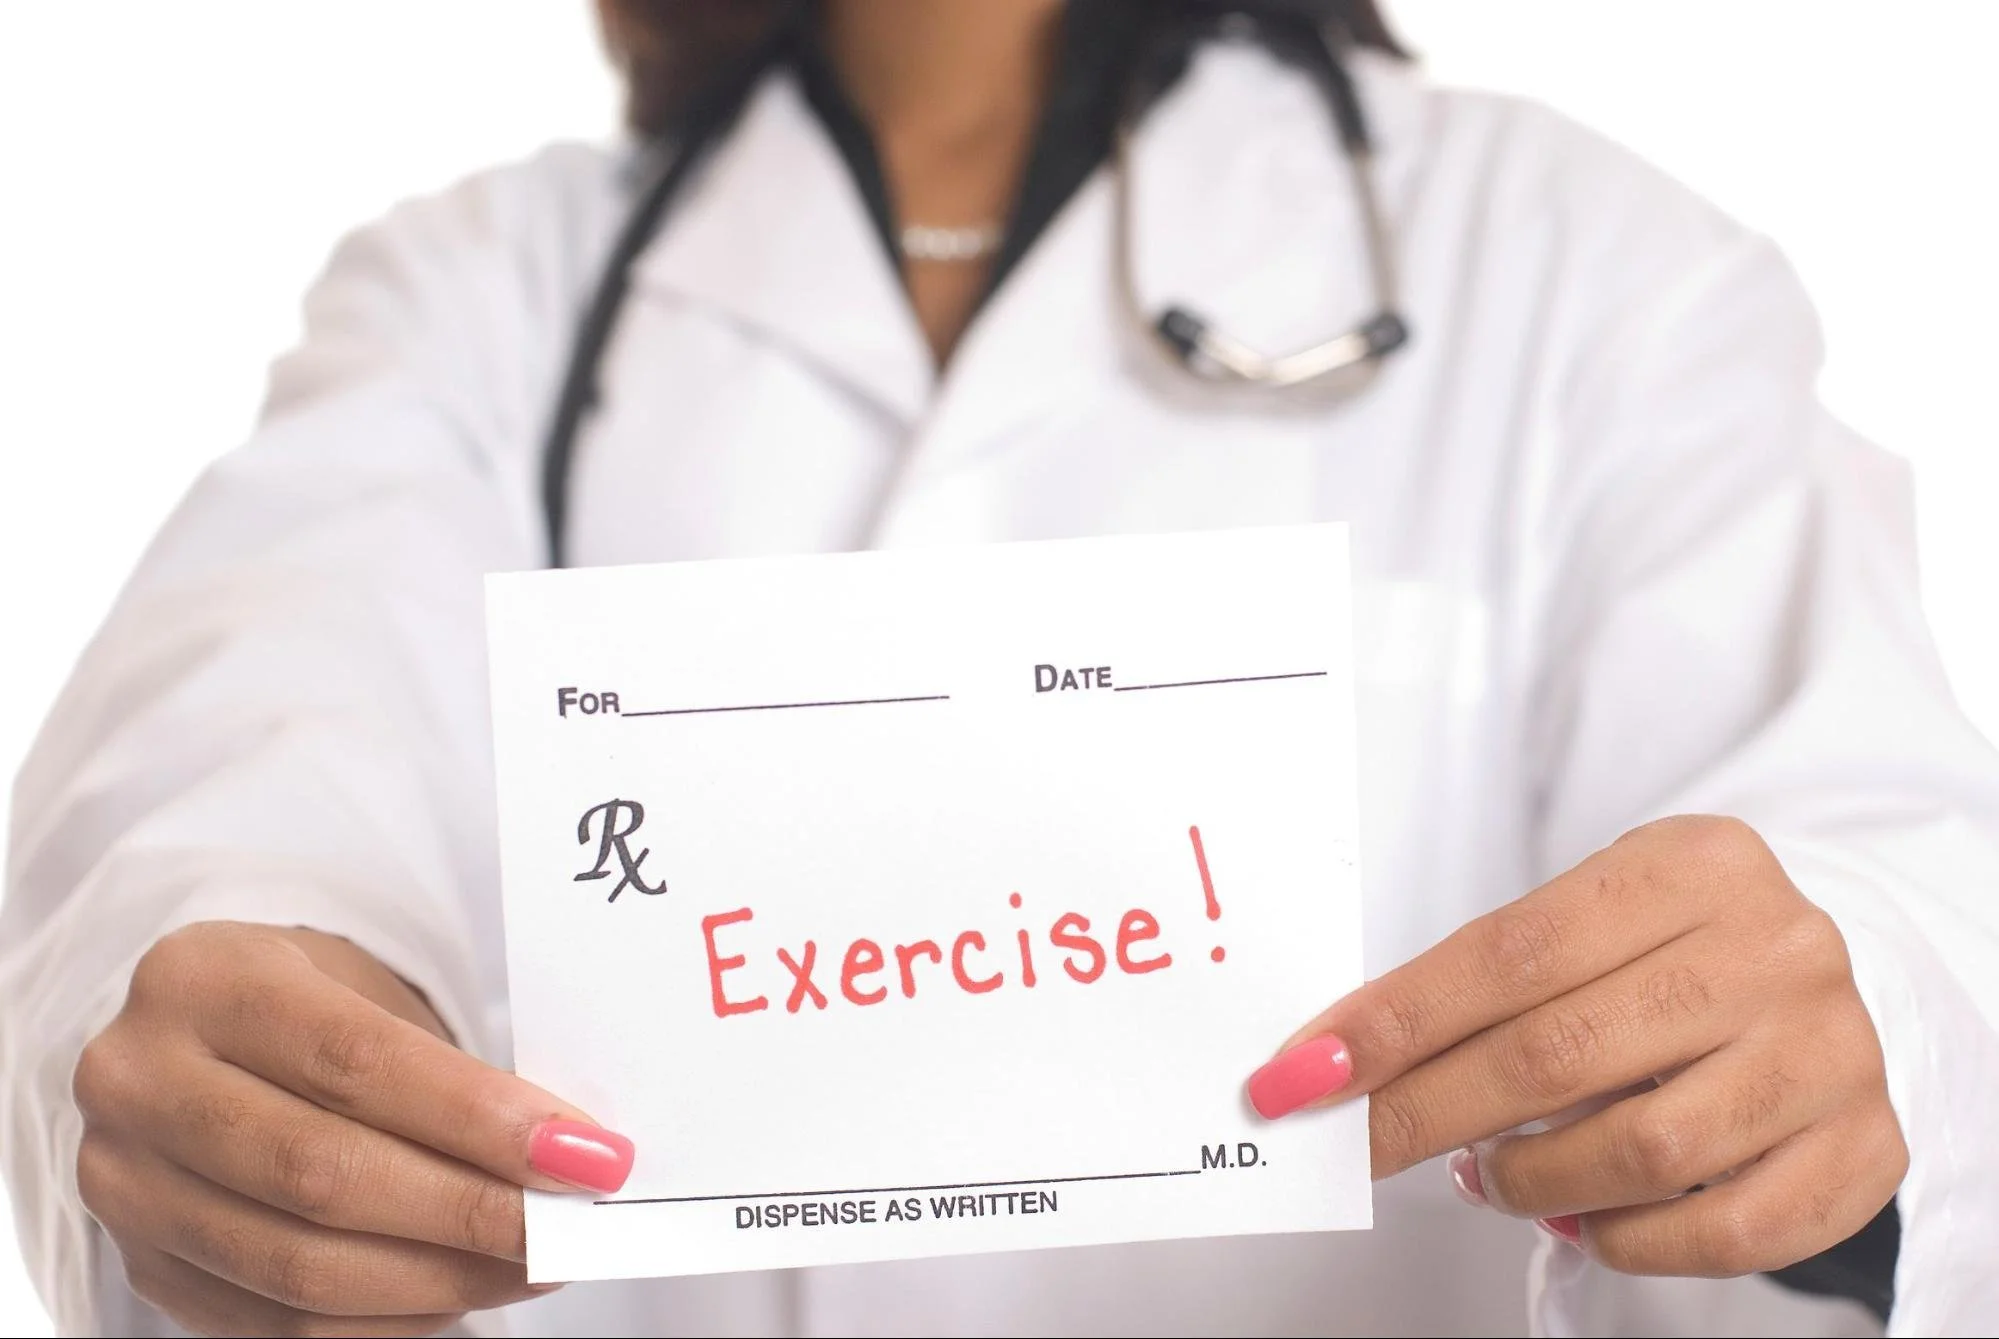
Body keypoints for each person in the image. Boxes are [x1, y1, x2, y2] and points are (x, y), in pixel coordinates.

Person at [3, 0, 1997, 1334]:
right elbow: (232, 772)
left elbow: (1885, 871)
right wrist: (241, 1026)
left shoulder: (1587, 268)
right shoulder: (478, 292)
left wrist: (1850, 1036)